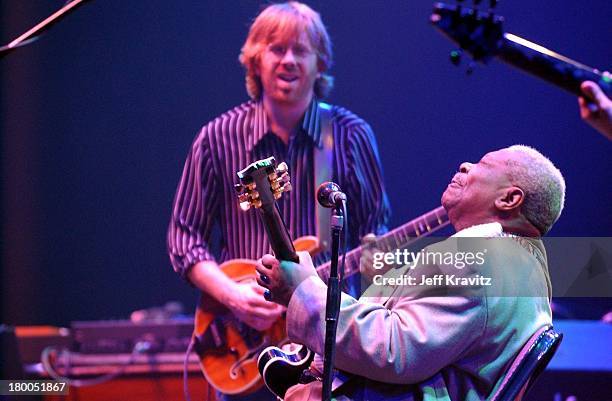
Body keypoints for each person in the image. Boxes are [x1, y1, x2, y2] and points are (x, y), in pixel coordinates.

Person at [167, 2, 390, 400]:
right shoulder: (217, 138)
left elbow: (378, 232)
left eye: (300, 50)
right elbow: (184, 238)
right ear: (255, 61)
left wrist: (374, 269)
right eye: (276, 49)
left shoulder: (351, 136)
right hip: (245, 344)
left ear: (320, 63)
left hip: (329, 353)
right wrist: (233, 295)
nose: (288, 60)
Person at [257, 145, 565, 400]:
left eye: (483, 164)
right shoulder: (523, 268)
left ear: (509, 199)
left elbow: (392, 351)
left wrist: (305, 292)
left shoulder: (476, 258)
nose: (465, 164)